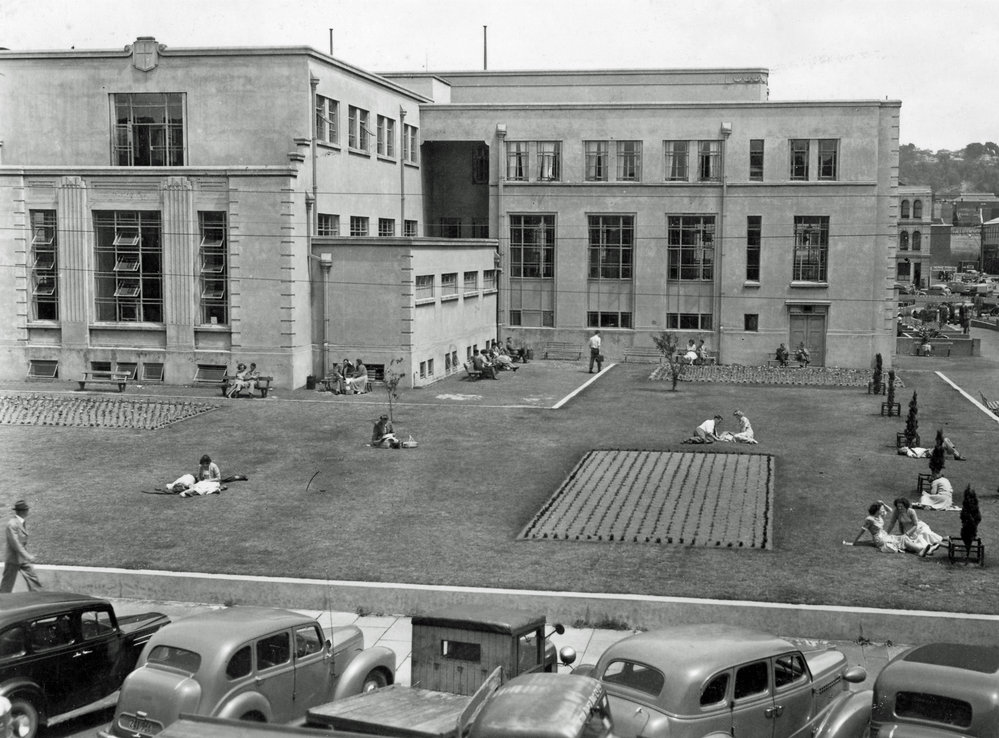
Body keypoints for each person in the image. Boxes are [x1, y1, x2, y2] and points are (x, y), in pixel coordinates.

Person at [844, 500, 923, 554]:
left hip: (884, 535)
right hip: (879, 539)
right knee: (900, 539)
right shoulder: (869, 519)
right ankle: (919, 549)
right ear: (877, 510)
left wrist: (883, 504)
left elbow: (890, 510)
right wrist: (854, 542)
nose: (883, 510)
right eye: (881, 509)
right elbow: (862, 531)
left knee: (903, 538)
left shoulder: (879, 516)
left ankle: (919, 550)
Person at [1, 499, 42, 593]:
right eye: (26, 509)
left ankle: (38, 597)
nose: (28, 511)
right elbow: (15, 544)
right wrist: (27, 555)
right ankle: (3, 602)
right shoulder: (12, 524)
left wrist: (25, 556)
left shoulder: (21, 522)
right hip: (13, 559)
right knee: (7, 584)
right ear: (22, 511)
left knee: (33, 578)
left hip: (22, 559)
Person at [959, 487, 982, 564]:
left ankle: (967, 552)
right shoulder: (970, 506)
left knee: (968, 536)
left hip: (970, 526)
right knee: (968, 537)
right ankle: (967, 551)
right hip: (969, 526)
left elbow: (976, 517)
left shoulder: (970, 506)